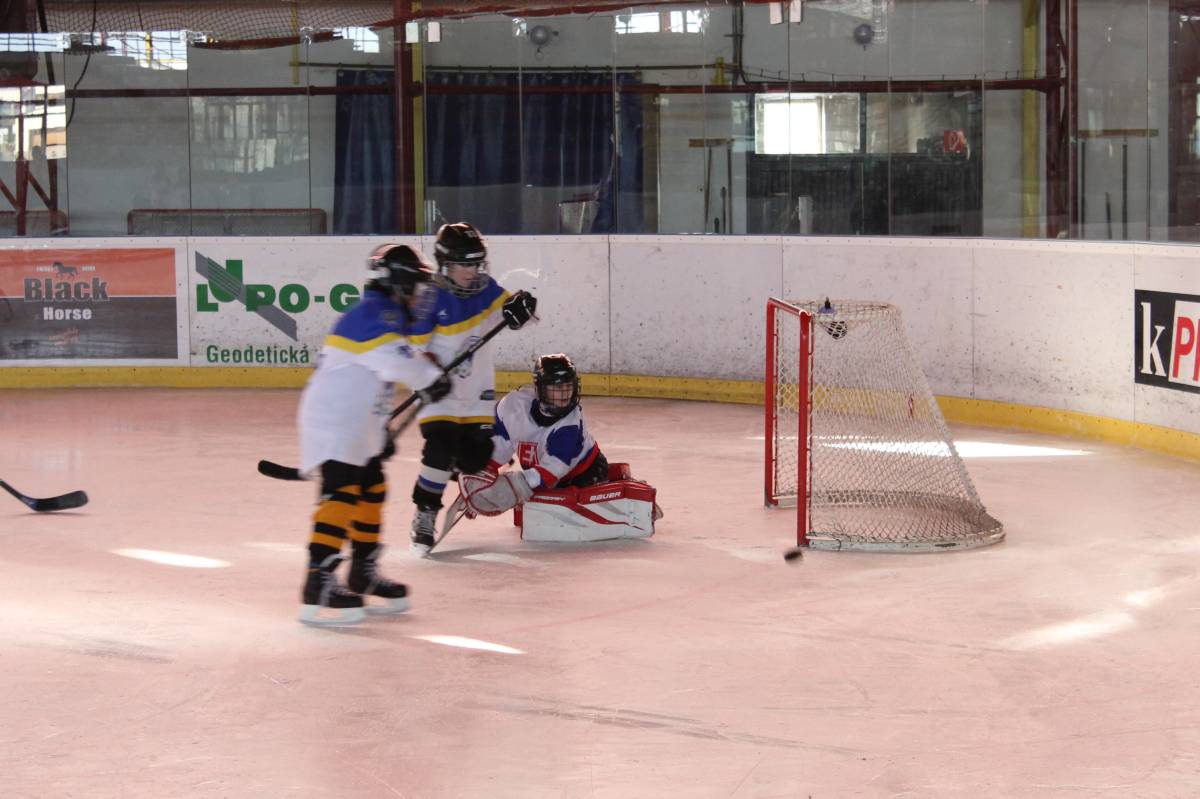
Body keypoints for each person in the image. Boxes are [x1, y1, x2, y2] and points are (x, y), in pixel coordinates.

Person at [296, 244, 452, 626]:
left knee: (372, 487)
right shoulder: (374, 313)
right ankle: (318, 583)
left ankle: (362, 572)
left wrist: (377, 430)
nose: (420, 295)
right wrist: (430, 378)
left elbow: (372, 379)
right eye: (416, 285)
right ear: (399, 283)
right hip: (334, 423)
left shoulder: (384, 315)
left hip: (353, 421)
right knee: (342, 493)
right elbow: (396, 363)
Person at [405, 222, 537, 556]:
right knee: (439, 447)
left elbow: (514, 314)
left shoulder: (486, 289)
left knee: (476, 458)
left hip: (478, 395)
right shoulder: (430, 297)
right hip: (441, 395)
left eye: (476, 264)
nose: (471, 271)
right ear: (445, 264)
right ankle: (425, 512)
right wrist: (428, 374)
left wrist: (523, 308)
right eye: (464, 265)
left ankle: (450, 468)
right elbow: (412, 350)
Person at [454, 352, 661, 543]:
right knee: (539, 508)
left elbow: (552, 471)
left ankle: (624, 486)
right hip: (544, 475)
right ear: (539, 388)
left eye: (568, 387)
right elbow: (498, 447)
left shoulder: (570, 424)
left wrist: (514, 487)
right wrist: (480, 477)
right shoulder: (513, 406)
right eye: (556, 388)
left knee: (558, 509)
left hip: (585, 473)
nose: (564, 395)